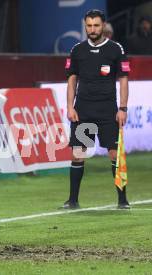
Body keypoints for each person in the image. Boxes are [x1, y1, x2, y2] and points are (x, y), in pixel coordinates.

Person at [63, 9, 130, 209]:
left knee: (113, 153)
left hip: (108, 111)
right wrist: (69, 106)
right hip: (83, 111)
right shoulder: (77, 50)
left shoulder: (116, 49)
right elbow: (72, 80)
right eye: (89, 26)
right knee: (78, 153)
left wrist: (123, 108)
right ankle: (73, 200)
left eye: (96, 25)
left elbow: (124, 81)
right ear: (85, 26)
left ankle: (122, 200)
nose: (92, 29)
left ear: (103, 26)